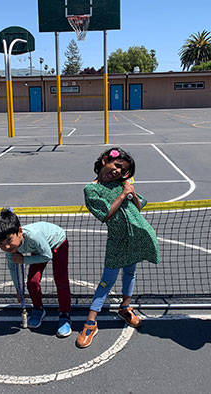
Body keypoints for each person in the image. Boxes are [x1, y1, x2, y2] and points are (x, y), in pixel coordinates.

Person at [76, 147, 159, 348]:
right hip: (117, 240)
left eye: (123, 170)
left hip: (135, 236)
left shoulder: (122, 183)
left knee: (131, 272)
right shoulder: (92, 190)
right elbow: (105, 214)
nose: (118, 172)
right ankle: (90, 322)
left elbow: (138, 207)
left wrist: (132, 193)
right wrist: (123, 193)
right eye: (117, 166)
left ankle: (125, 307)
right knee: (107, 281)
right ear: (105, 160)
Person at [0, 208, 72, 338]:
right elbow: (12, 266)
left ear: (20, 232)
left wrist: (24, 259)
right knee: (32, 282)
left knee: (61, 280)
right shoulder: (10, 248)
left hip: (57, 243)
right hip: (39, 250)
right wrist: (18, 289)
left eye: (9, 240)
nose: (6, 247)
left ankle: (65, 315)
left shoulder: (34, 236)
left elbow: (47, 255)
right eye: (1, 244)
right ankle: (38, 309)